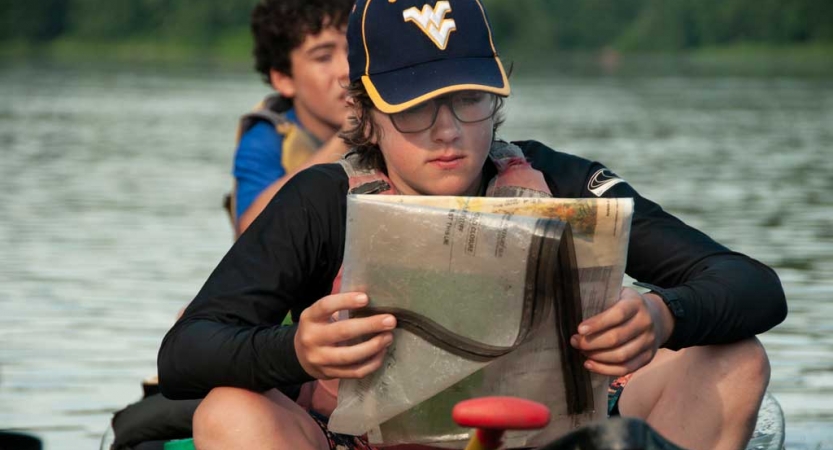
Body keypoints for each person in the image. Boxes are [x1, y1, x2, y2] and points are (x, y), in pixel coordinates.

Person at [158, 1, 787, 449]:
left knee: (733, 357)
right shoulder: (320, 200)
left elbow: (755, 285)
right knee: (229, 410)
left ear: (497, 96)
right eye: (414, 108)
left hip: (556, 438)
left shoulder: (563, 180)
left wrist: (663, 317)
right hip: (364, 444)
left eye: (468, 97)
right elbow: (184, 351)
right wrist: (294, 349)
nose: (448, 130)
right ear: (366, 113)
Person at [230, 0, 354, 236]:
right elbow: (249, 234)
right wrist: (346, 138)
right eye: (323, 57)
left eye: (353, 49)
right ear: (284, 80)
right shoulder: (265, 141)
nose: (347, 69)